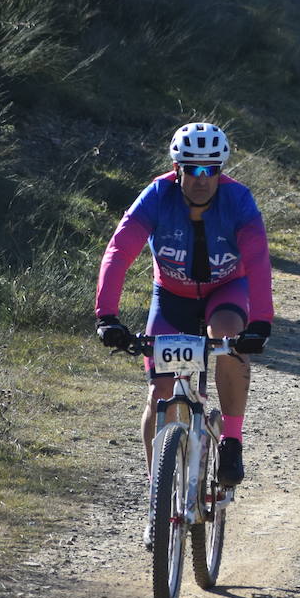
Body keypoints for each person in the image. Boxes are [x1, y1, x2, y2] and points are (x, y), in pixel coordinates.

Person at [94, 122, 273, 508]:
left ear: (221, 170)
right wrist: (107, 316)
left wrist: (261, 322)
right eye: (192, 168)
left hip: (226, 291)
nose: (201, 178)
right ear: (177, 168)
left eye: (211, 169)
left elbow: (257, 260)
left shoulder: (238, 200)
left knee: (227, 339)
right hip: (172, 297)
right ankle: (158, 494)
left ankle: (232, 442)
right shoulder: (157, 195)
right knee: (159, 393)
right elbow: (119, 252)